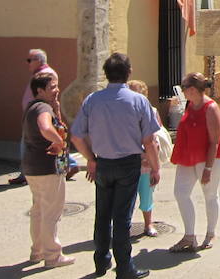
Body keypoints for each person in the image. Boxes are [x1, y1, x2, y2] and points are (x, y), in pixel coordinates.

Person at [70, 53, 160, 279]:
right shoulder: (138, 101)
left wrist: (91, 158)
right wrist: (156, 168)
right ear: (128, 72)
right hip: (129, 163)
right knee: (122, 218)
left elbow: (76, 136)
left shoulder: (92, 100)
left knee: (102, 215)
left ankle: (101, 262)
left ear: (106, 74)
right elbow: (149, 140)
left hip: (104, 163)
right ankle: (125, 267)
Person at [169, 73, 220, 253]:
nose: (183, 94)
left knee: (210, 194)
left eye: (184, 90)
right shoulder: (191, 105)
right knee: (180, 193)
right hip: (188, 155)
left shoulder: (210, 108)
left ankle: (211, 233)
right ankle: (189, 236)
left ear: (191, 90)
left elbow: (215, 141)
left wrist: (208, 168)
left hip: (208, 158)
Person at [23, 72, 75, 268]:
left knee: (38, 210)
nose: (57, 90)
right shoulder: (43, 108)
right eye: (52, 87)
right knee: (51, 213)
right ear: (40, 90)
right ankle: (53, 256)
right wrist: (59, 142)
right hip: (47, 167)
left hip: (33, 167)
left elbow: (56, 126)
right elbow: (46, 127)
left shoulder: (34, 107)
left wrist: (57, 110)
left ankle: (37, 252)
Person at [10, 49, 60, 186]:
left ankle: (25, 173)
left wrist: (59, 141)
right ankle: (25, 172)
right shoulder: (40, 75)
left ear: (38, 60)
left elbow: (46, 127)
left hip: (37, 117)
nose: (28, 64)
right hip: (33, 116)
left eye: (29, 60)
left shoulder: (46, 75)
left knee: (29, 143)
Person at [126, 80, 164, 238]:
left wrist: (154, 162)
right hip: (129, 160)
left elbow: (159, 133)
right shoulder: (123, 112)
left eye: (136, 92)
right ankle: (125, 225)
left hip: (147, 162)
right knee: (127, 196)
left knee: (146, 193)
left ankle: (148, 224)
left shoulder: (152, 111)